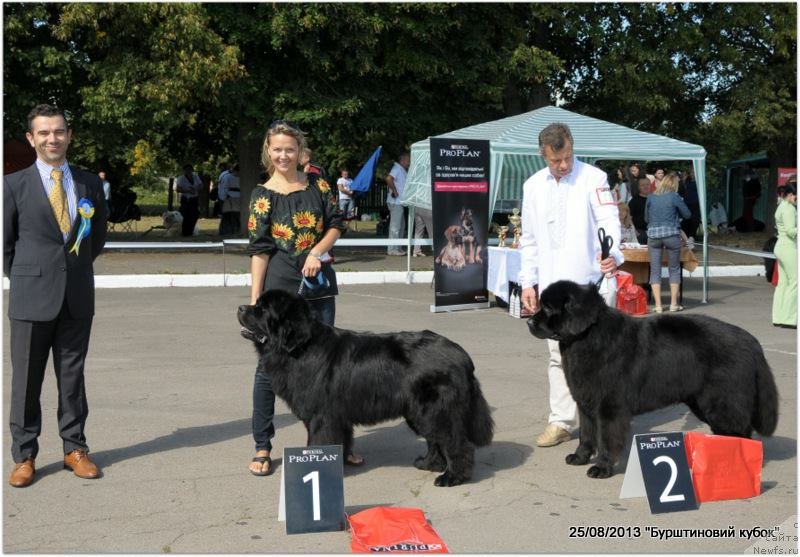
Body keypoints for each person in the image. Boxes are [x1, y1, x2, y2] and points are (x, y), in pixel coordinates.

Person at [3, 104, 108, 487]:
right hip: (31, 298)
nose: (53, 139)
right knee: (26, 381)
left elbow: (95, 239)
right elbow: (6, 246)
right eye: (44, 133)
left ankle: (74, 449)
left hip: (77, 296)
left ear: (69, 134)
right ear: (31, 139)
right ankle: (24, 455)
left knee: (72, 377)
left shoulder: (88, 184)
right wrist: (31, 277)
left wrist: (71, 272)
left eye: (59, 131)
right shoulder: (13, 185)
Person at [244, 120, 353, 476]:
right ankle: (262, 445)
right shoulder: (262, 196)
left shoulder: (318, 185)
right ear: (268, 151)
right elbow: (260, 250)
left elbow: (337, 223)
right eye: (277, 149)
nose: (283, 155)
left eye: (289, 149)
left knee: (326, 369)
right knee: (267, 371)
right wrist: (256, 297)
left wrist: (317, 252)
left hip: (317, 286)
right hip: (279, 292)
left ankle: (330, 445)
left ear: (299, 150)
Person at [518, 122, 623, 447]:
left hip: (591, 286)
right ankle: (561, 421)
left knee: (604, 356)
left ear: (572, 147)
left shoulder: (594, 179)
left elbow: (609, 221)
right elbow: (530, 240)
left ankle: (609, 421)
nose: (563, 165)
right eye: (555, 160)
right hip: (553, 292)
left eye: (566, 157)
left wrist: (613, 255)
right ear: (543, 155)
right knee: (557, 356)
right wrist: (528, 282)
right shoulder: (532, 186)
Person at [644, 173, 691, 313]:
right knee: (674, 269)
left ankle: (658, 306)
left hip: (653, 236)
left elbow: (646, 219)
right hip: (671, 235)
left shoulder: (651, 197)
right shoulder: (674, 197)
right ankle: (673, 304)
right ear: (674, 185)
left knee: (655, 270)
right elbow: (687, 214)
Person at [772, 180, 797, 328]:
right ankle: (789, 319)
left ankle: (779, 317)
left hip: (780, 246)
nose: (797, 199)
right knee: (795, 282)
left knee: (783, 284)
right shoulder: (789, 209)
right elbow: (790, 231)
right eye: (796, 196)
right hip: (788, 247)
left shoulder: (782, 205)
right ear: (789, 194)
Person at [385, 152, 410, 256]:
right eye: (408, 161)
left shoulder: (401, 169)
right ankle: (392, 249)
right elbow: (388, 178)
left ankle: (398, 247)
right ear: (402, 160)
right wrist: (394, 191)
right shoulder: (397, 168)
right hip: (395, 202)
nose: (409, 163)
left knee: (401, 225)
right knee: (395, 226)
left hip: (400, 202)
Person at [174, 163, 201, 236]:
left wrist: (195, 189)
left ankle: (191, 231)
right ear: (184, 171)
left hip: (194, 199)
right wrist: (187, 190)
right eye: (186, 170)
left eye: (189, 170)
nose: (188, 171)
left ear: (192, 170)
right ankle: (185, 232)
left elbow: (200, 185)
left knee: (195, 215)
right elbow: (178, 189)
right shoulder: (181, 178)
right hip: (186, 199)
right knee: (186, 216)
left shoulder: (195, 176)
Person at [218, 162, 241, 235]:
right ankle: (226, 231)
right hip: (230, 198)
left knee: (236, 216)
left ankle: (235, 230)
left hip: (238, 198)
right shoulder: (227, 177)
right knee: (227, 215)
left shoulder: (241, 178)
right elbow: (224, 188)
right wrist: (223, 198)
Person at [628, 176, 651, 244]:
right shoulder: (634, 201)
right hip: (640, 233)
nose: (645, 187)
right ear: (638, 187)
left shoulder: (655, 199)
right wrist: (634, 230)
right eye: (643, 185)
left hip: (654, 232)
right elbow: (629, 217)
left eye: (647, 184)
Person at [741, 165, 762, 232]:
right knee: (747, 213)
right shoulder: (751, 176)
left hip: (750, 197)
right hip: (749, 197)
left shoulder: (750, 176)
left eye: (744, 166)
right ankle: (749, 228)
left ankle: (750, 229)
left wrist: (749, 181)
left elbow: (754, 188)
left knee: (747, 213)